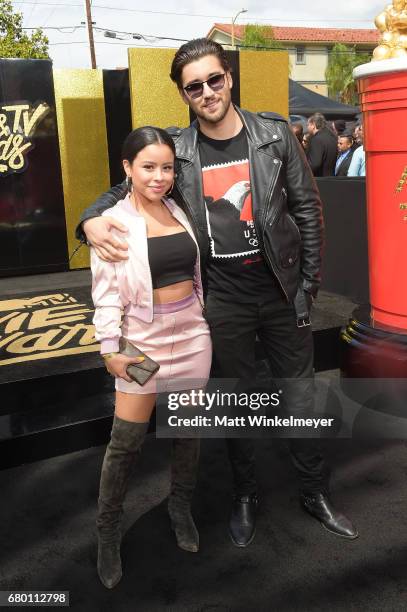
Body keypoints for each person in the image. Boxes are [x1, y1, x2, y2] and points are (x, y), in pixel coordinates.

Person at [77, 38, 358, 549]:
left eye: (213, 79)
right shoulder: (178, 152)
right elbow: (127, 188)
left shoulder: (273, 136)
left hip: (280, 294)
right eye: (194, 86)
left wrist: (307, 289)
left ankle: (315, 492)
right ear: (183, 95)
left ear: (227, 77)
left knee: (301, 397)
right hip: (222, 304)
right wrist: (89, 220)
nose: (206, 91)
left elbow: (308, 213)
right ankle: (244, 494)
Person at [91, 126, 212, 588]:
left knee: (188, 434)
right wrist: (110, 350)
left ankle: (179, 507)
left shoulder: (180, 209)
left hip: (193, 335)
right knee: (126, 442)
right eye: (148, 167)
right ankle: (107, 532)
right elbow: (105, 295)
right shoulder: (113, 222)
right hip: (141, 338)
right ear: (127, 168)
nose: (159, 177)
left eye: (166, 167)